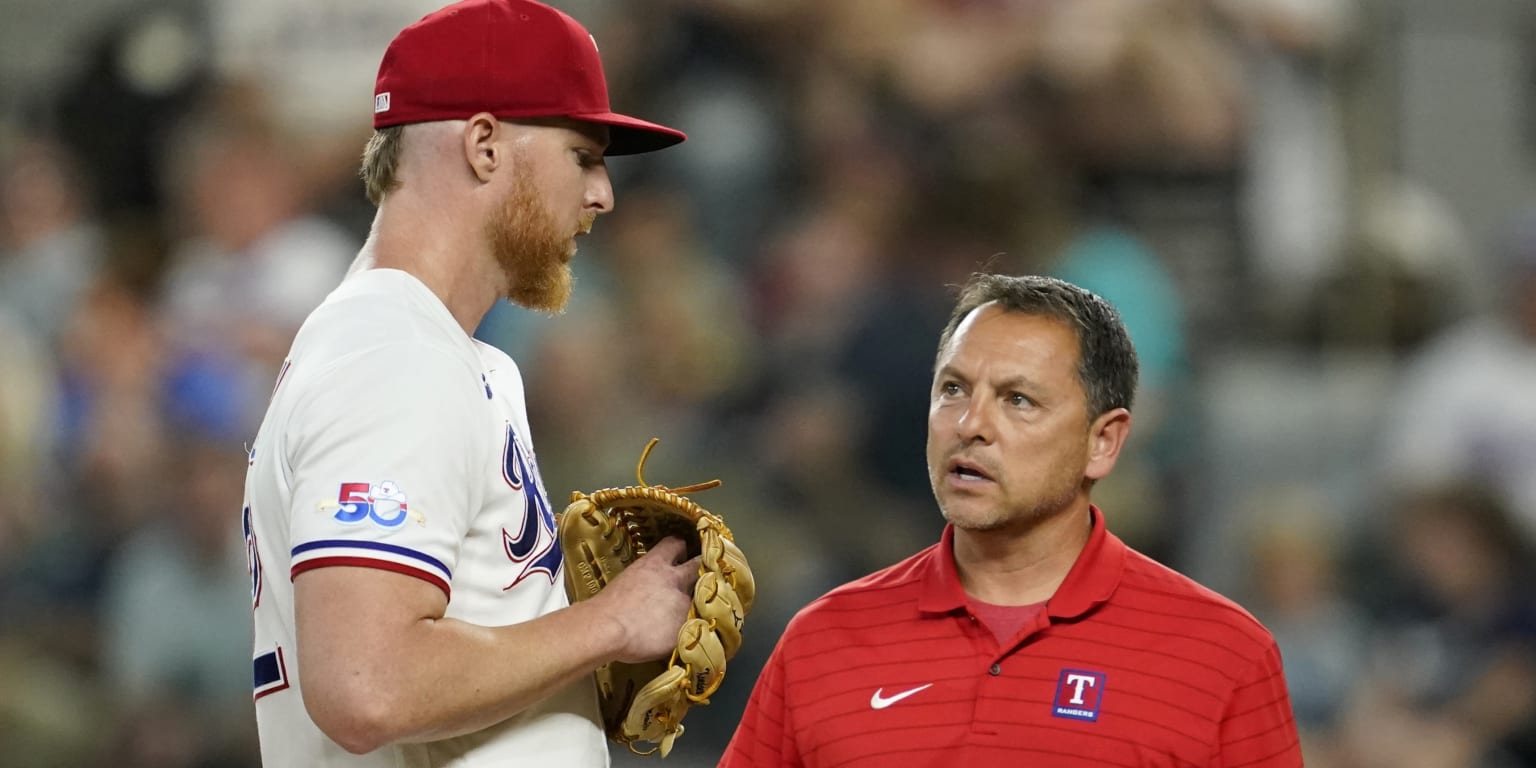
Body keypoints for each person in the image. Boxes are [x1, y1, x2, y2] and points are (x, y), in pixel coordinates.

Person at [241, 0, 699, 764]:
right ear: (484, 145)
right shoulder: (392, 355)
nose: (602, 195)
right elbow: (367, 686)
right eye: (582, 155)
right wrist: (609, 625)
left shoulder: (434, 352)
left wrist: (562, 644)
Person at [720, 273, 1302, 767]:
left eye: (1017, 399)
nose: (971, 424)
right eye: (953, 389)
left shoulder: (1224, 655)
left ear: (1103, 442)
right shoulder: (822, 641)